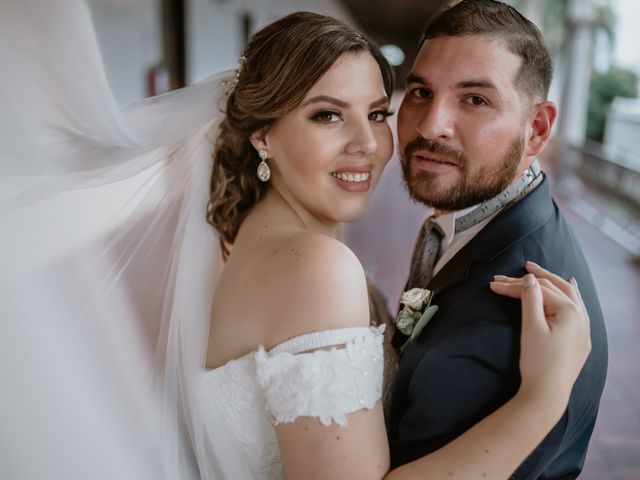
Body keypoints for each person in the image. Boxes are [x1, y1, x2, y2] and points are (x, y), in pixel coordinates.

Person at [0, 4, 590, 480]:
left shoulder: (248, 231)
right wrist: (543, 397)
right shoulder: (315, 264)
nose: (366, 144)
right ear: (264, 134)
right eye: (327, 116)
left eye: (377, 114)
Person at [387, 1, 608, 478]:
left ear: (538, 128)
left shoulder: (501, 318)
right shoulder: (477, 220)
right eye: (421, 91)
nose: (429, 125)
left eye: (475, 99)